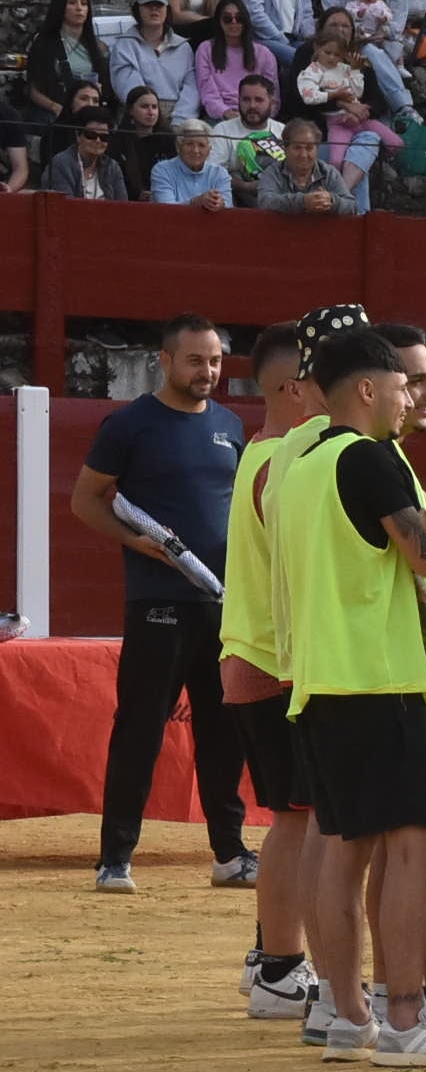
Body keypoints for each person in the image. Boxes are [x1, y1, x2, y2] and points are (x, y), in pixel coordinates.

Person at [270, 324, 426, 1065]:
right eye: (400, 387)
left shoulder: (298, 468)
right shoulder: (371, 459)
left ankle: (347, 1014)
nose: (408, 401)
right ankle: (400, 1018)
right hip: (382, 683)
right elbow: (422, 560)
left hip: (321, 684)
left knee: (342, 852)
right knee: (410, 849)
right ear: (367, 389)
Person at [72, 312, 251, 894]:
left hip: (223, 603)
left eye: (216, 360)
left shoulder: (229, 424)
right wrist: (136, 543)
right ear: (165, 360)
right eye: (196, 360)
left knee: (224, 731)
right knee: (141, 728)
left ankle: (229, 854)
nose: (208, 371)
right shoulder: (129, 425)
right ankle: (115, 858)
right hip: (159, 602)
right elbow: (87, 501)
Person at [214, 321, 319, 1014]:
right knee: (295, 821)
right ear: (292, 387)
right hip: (275, 665)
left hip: (253, 656)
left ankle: (269, 953)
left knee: (291, 818)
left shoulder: (259, 452)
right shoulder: (285, 458)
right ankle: (282, 967)